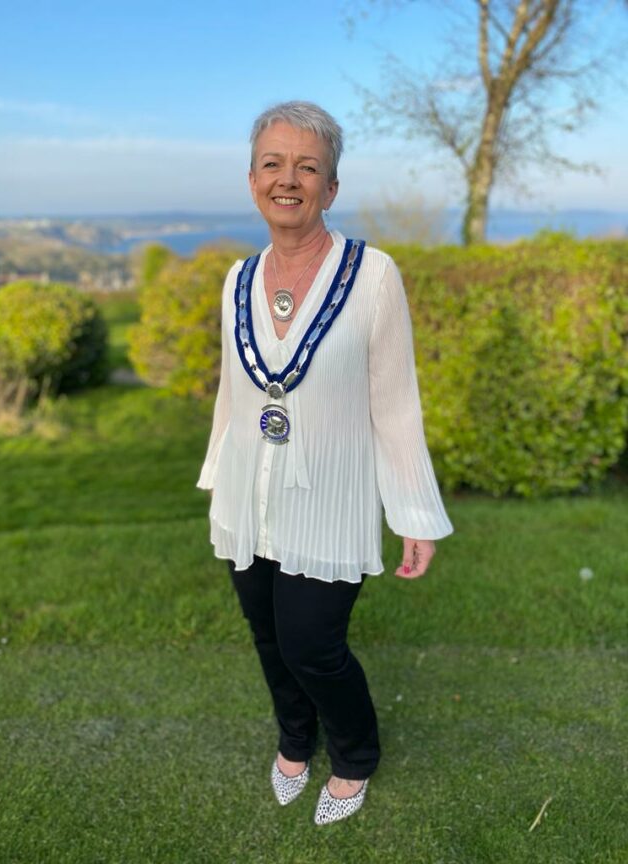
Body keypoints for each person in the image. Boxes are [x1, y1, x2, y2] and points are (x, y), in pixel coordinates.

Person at [196, 101, 453, 825]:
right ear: (252, 180)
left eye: (307, 167)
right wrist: (218, 478)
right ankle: (293, 739)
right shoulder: (237, 279)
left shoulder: (373, 276)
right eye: (273, 164)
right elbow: (233, 391)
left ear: (331, 187)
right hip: (247, 494)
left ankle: (356, 755)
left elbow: (395, 404)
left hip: (330, 497)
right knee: (268, 636)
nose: (289, 179)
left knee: (313, 646)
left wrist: (414, 512)